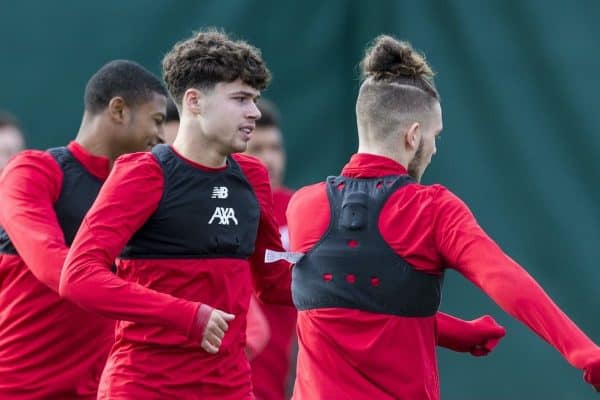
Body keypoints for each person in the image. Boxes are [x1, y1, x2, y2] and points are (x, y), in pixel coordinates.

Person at [286, 35, 600, 400]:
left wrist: (451, 332)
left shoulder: (302, 207)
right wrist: (585, 353)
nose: (434, 148)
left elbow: (342, 301)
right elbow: (504, 277)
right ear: (413, 135)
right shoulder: (431, 209)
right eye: (435, 135)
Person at [59, 29, 293, 400]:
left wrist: (346, 269)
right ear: (195, 101)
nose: (254, 112)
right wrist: (186, 315)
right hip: (144, 388)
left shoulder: (253, 176)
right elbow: (78, 277)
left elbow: (275, 281)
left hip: (230, 388)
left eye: (255, 99)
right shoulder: (143, 173)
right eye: (241, 99)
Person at [0, 60, 167, 399]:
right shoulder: (35, 171)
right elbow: (55, 268)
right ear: (119, 110)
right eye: (157, 120)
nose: (161, 135)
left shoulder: (143, 193)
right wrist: (178, 314)